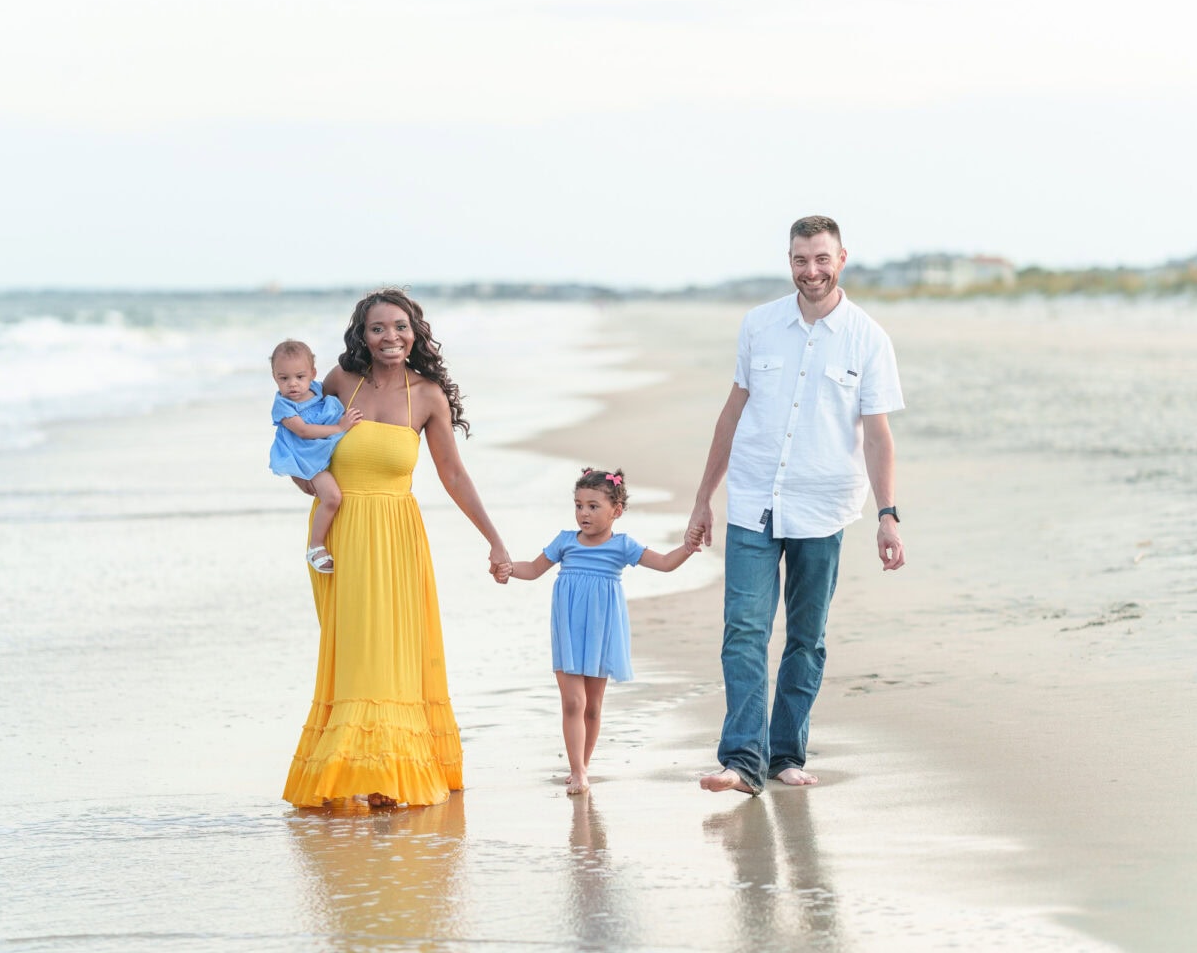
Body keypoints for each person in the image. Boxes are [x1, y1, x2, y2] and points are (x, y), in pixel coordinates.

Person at [686, 215, 906, 796]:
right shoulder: (759, 326)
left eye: (821, 259)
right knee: (744, 630)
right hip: (754, 499)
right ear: (789, 261)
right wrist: (704, 498)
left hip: (824, 507)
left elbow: (878, 435)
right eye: (800, 260)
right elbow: (732, 413)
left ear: (841, 258)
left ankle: (785, 753)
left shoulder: (868, 338)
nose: (811, 271)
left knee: (806, 638)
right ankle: (741, 760)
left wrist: (888, 515)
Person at [282, 288, 512, 809]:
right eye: (379, 328)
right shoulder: (341, 382)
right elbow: (301, 440)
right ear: (362, 335)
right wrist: (309, 483)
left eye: (400, 327)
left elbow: (453, 474)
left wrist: (495, 539)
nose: (391, 337)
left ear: (416, 333)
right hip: (341, 535)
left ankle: (390, 771)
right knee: (357, 653)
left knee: (393, 653)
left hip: (398, 537)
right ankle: (358, 770)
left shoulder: (426, 395)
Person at [500, 468, 699, 795]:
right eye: (579, 505)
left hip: (600, 631)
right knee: (573, 702)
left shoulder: (622, 546)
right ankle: (577, 771)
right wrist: (509, 568)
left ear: (616, 511)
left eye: (593, 506)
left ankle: (584, 765)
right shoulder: (565, 541)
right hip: (567, 630)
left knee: (592, 706)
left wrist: (688, 547)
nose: (583, 514)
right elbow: (534, 569)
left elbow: (664, 563)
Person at [268, 339, 363, 573]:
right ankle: (315, 546)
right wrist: (340, 428)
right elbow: (304, 431)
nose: (292, 385)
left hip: (322, 451)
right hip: (306, 459)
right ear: (274, 377)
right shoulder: (283, 406)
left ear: (312, 374)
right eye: (284, 378)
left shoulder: (319, 389)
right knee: (332, 497)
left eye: (299, 377)